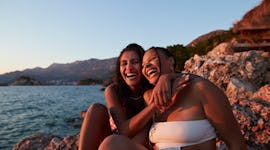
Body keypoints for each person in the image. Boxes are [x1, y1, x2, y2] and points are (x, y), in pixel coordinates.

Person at [99, 47, 247, 150]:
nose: (147, 66)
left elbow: (237, 144)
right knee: (111, 143)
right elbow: (140, 141)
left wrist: (169, 76)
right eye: (143, 65)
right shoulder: (149, 97)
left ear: (170, 62)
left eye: (153, 59)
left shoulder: (200, 88)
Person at [79, 44, 188, 150]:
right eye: (124, 64)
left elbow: (186, 77)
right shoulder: (113, 90)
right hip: (118, 140)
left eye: (135, 62)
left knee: (146, 124)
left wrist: (167, 77)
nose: (129, 68)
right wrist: (154, 104)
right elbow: (124, 131)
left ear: (144, 65)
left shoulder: (153, 87)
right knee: (96, 109)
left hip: (143, 142)